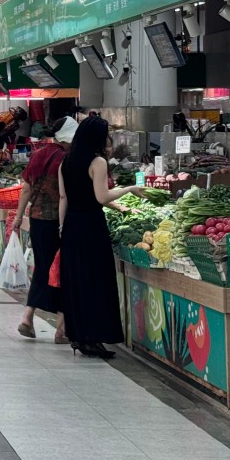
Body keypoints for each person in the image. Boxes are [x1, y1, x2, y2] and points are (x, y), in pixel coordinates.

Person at [59, 116, 145, 359]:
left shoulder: (66, 161)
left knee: (76, 281)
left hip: (73, 226)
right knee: (96, 280)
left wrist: (62, 227)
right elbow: (101, 197)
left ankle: (80, 336)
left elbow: (63, 197)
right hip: (90, 225)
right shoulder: (97, 162)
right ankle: (93, 337)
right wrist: (130, 189)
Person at [12, 117, 78, 344]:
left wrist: (19, 216)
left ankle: (30, 318)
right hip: (58, 221)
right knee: (59, 271)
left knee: (43, 268)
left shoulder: (38, 154)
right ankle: (59, 328)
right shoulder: (66, 158)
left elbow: (26, 188)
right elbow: (65, 195)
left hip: (37, 218)